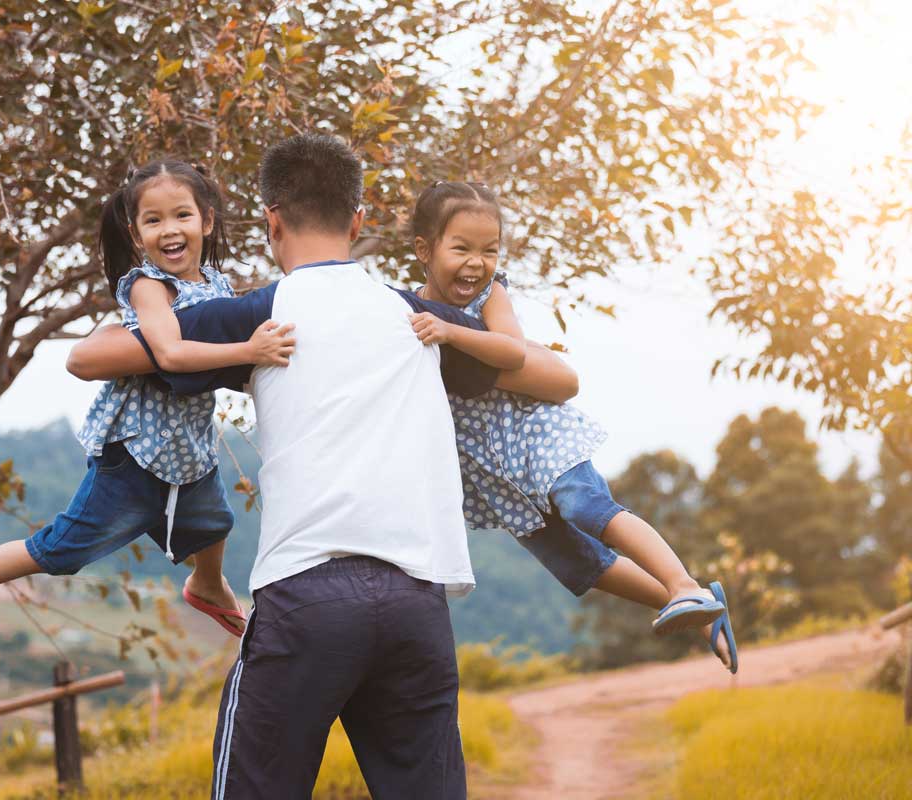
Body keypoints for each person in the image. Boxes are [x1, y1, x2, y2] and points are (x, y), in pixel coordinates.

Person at [72, 134, 499, 799]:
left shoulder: (259, 316)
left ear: (271, 222)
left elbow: (89, 358)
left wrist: (168, 326)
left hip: (307, 595)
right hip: (420, 598)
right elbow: (534, 367)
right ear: (358, 222)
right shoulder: (419, 318)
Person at [0, 160, 296, 665]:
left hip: (187, 451)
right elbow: (168, 355)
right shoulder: (150, 287)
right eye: (153, 220)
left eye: (182, 215)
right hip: (134, 455)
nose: (170, 229)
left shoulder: (215, 283)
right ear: (135, 232)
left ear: (207, 221)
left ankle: (207, 586)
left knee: (214, 524)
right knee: (60, 550)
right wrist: (247, 351)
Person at [406, 180, 737, 672]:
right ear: (424, 250)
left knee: (585, 505)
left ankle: (683, 584)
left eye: (490, 250)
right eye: (462, 248)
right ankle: (699, 606)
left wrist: (452, 330)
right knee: (576, 564)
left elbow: (514, 350)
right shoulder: (407, 311)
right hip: (496, 471)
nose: (477, 262)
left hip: (537, 438)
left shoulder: (490, 297)